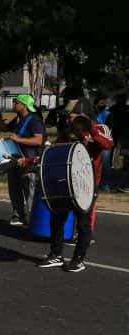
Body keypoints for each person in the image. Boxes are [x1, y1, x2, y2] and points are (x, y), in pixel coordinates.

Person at [34, 115, 113, 272]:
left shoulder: (99, 129)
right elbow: (54, 152)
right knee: (57, 218)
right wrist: (31, 161)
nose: (72, 119)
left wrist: (89, 129)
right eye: (70, 117)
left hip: (88, 184)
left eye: (76, 116)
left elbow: (108, 144)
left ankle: (78, 260)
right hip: (66, 182)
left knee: (83, 222)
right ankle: (56, 254)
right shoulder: (68, 133)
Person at [4, 93, 46, 226]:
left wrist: (18, 139)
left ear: (24, 105)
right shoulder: (18, 119)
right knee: (14, 188)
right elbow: (4, 128)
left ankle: (33, 218)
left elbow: (39, 140)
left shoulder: (34, 120)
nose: (14, 104)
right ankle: (18, 215)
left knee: (29, 189)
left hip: (29, 159)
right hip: (15, 158)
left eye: (16, 102)